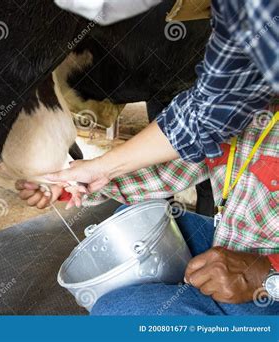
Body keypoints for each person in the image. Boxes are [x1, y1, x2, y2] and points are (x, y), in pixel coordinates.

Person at [16, 0, 278, 314]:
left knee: (118, 311)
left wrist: (263, 274)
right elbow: (189, 143)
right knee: (131, 222)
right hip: (236, 236)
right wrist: (84, 181)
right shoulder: (250, 101)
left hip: (267, 278)